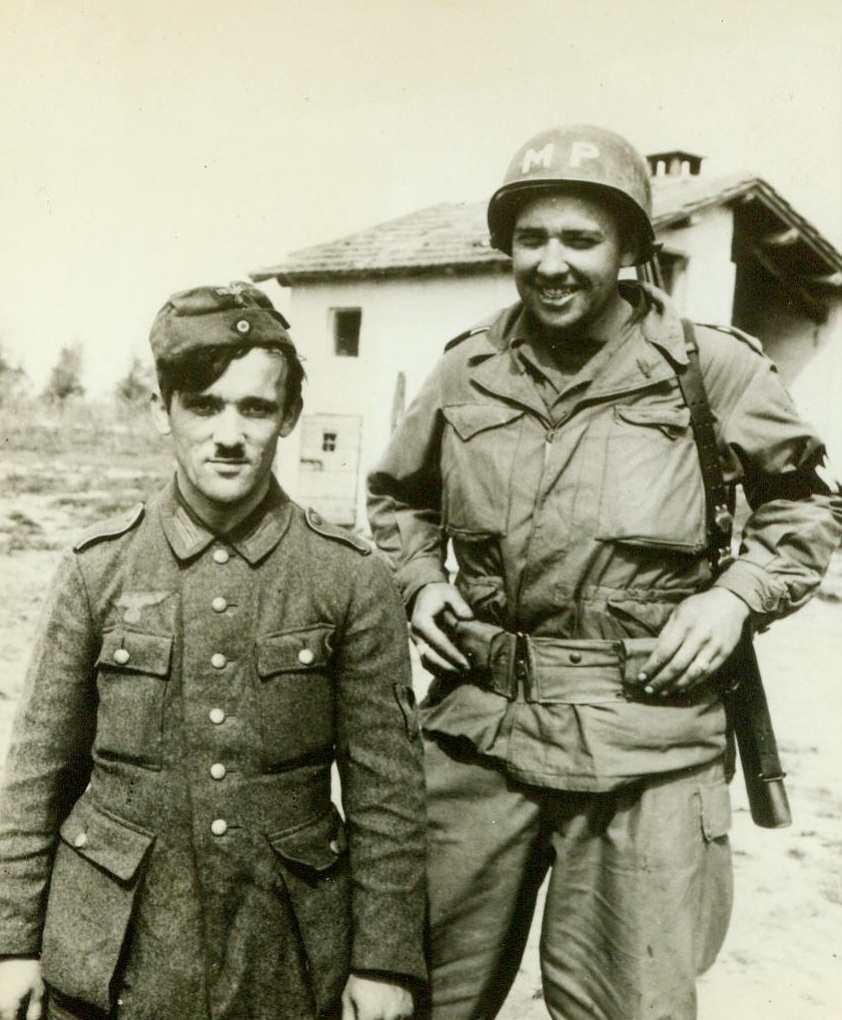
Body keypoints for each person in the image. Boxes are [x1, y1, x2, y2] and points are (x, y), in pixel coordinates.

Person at [367, 125, 842, 1020]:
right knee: (409, 995)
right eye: (533, 238)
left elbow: (809, 506)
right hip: (479, 737)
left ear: (630, 250)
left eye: (581, 239)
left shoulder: (713, 368)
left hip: (648, 751)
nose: (553, 263)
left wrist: (735, 599)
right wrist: (420, 579)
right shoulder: (466, 370)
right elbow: (399, 498)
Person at [0, 282, 426, 1020]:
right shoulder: (97, 570)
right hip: (112, 954)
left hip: (286, 955)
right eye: (203, 405)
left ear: (289, 415)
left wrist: (384, 961)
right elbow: (37, 774)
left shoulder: (350, 578)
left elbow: (386, 791)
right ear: (162, 410)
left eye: (255, 408)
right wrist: (12, 945)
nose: (229, 433)